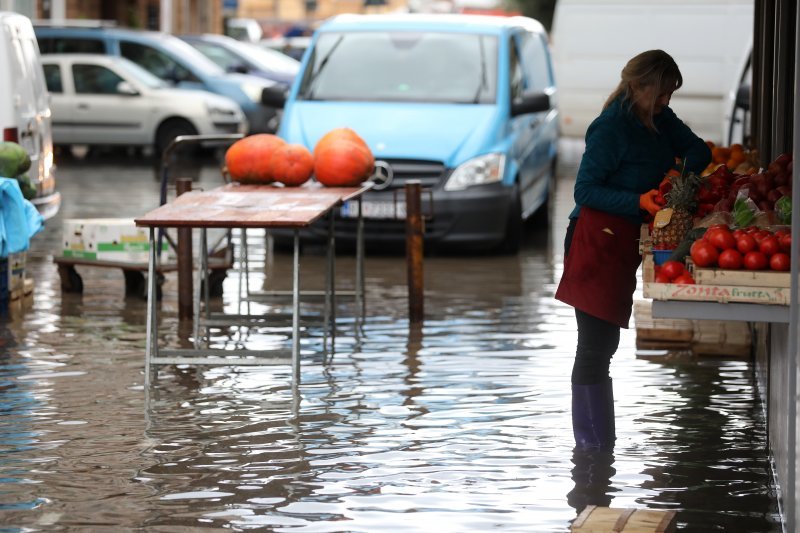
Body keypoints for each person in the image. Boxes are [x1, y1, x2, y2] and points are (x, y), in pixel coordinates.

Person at [555, 50, 711, 450]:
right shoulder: (609, 128)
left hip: (624, 239)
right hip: (594, 239)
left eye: (670, 95)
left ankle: (598, 454)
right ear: (638, 87)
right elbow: (585, 191)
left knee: (605, 345)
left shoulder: (660, 119)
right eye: (660, 94)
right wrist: (639, 202)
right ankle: (591, 451)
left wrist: (676, 173)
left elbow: (700, 151)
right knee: (594, 346)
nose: (666, 102)